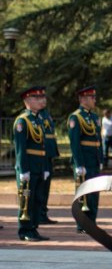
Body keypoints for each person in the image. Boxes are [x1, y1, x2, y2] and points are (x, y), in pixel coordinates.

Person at [14, 86, 49, 241]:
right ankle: (25, 230)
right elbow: (21, 148)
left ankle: (33, 228)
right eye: (36, 98)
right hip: (28, 166)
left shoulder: (38, 119)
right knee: (26, 199)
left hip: (39, 166)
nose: (40, 100)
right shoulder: (23, 121)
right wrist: (23, 169)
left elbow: (43, 146)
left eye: (41, 97)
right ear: (27, 101)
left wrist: (45, 167)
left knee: (37, 199)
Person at [68, 86, 102, 233]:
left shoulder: (94, 117)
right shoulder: (76, 117)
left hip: (93, 160)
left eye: (94, 97)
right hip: (84, 161)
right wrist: (79, 163)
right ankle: (82, 224)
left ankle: (92, 222)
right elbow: (75, 143)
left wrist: (100, 158)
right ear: (83, 99)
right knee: (83, 195)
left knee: (94, 194)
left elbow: (98, 140)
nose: (94, 100)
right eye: (91, 97)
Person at [40, 96, 59, 225]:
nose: (44, 100)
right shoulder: (36, 116)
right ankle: (38, 214)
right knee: (40, 187)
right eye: (40, 98)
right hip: (41, 155)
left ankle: (43, 213)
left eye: (44, 97)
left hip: (48, 154)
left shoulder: (45, 114)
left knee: (45, 187)